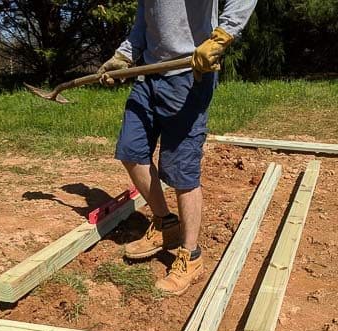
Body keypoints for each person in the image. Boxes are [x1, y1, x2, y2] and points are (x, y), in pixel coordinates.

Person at [98, 0, 257, 296]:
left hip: (190, 72)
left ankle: (191, 256)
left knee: (181, 170)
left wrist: (220, 37)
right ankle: (164, 223)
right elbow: (145, 22)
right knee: (131, 152)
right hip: (147, 73)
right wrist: (123, 56)